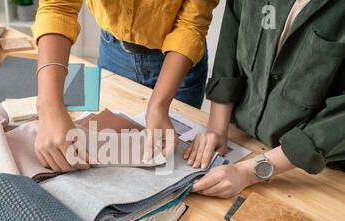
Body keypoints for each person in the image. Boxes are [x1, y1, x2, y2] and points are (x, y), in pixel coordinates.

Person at [32, 0, 219, 172]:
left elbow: (190, 25)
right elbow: (58, 7)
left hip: (177, 61)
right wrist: (49, 106)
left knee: (175, 160)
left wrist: (158, 106)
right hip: (113, 50)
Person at [186, 0, 345, 198]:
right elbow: (230, 43)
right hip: (242, 140)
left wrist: (249, 172)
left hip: (315, 174)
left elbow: (337, 124)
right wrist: (217, 128)